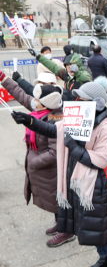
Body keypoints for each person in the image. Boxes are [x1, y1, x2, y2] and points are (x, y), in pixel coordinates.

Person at [19, 78, 107, 267]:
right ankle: (103, 258)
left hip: (93, 183)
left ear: (96, 104)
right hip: (74, 179)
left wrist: (74, 147)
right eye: (77, 99)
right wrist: (29, 122)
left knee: (102, 226)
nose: (77, 103)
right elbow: (54, 129)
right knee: (88, 225)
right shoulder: (78, 118)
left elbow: (100, 160)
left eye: (82, 100)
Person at [1, 71, 63, 243]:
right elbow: (21, 95)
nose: (33, 101)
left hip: (51, 169)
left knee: (58, 199)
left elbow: (55, 153)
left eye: (37, 99)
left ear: (44, 104)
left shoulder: (55, 118)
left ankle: (66, 231)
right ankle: (60, 225)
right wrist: (4, 79)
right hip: (43, 169)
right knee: (52, 199)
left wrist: (33, 162)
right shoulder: (40, 110)